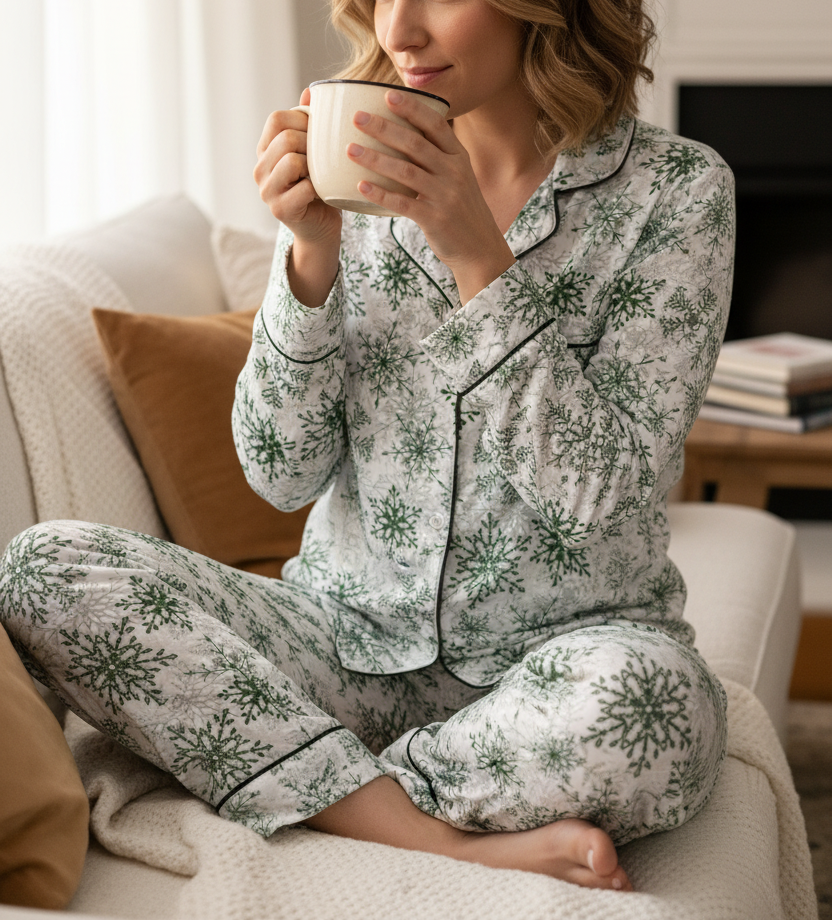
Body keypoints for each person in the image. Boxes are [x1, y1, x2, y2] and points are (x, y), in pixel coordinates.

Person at [0, 0, 735, 893]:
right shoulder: (354, 177)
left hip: (562, 658)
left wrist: (471, 246)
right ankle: (423, 829)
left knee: (660, 711)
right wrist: (308, 254)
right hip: (338, 640)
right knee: (42, 567)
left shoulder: (679, 193)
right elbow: (279, 473)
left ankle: (298, 772)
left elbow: (599, 497)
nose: (400, 31)